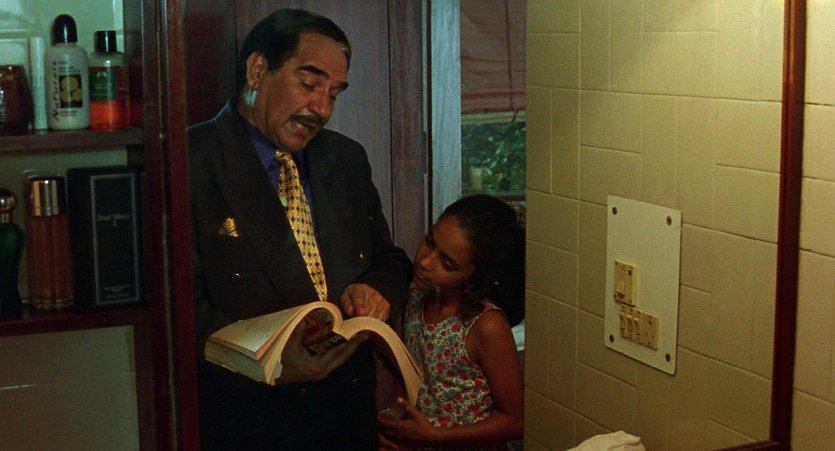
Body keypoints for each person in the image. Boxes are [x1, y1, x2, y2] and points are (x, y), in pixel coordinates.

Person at [187, 8, 413, 450]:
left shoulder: (345, 159)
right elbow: (178, 306)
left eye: (334, 93)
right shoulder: (191, 160)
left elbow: (389, 260)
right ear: (257, 70)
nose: (322, 109)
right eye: (309, 84)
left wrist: (377, 290)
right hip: (249, 420)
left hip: (345, 415)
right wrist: (269, 360)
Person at [379, 194, 525, 450]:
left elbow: (516, 421)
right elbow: (408, 379)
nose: (425, 261)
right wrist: (391, 426)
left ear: (475, 276)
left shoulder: (486, 325)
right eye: (429, 241)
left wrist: (435, 436)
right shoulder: (415, 299)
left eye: (446, 263)